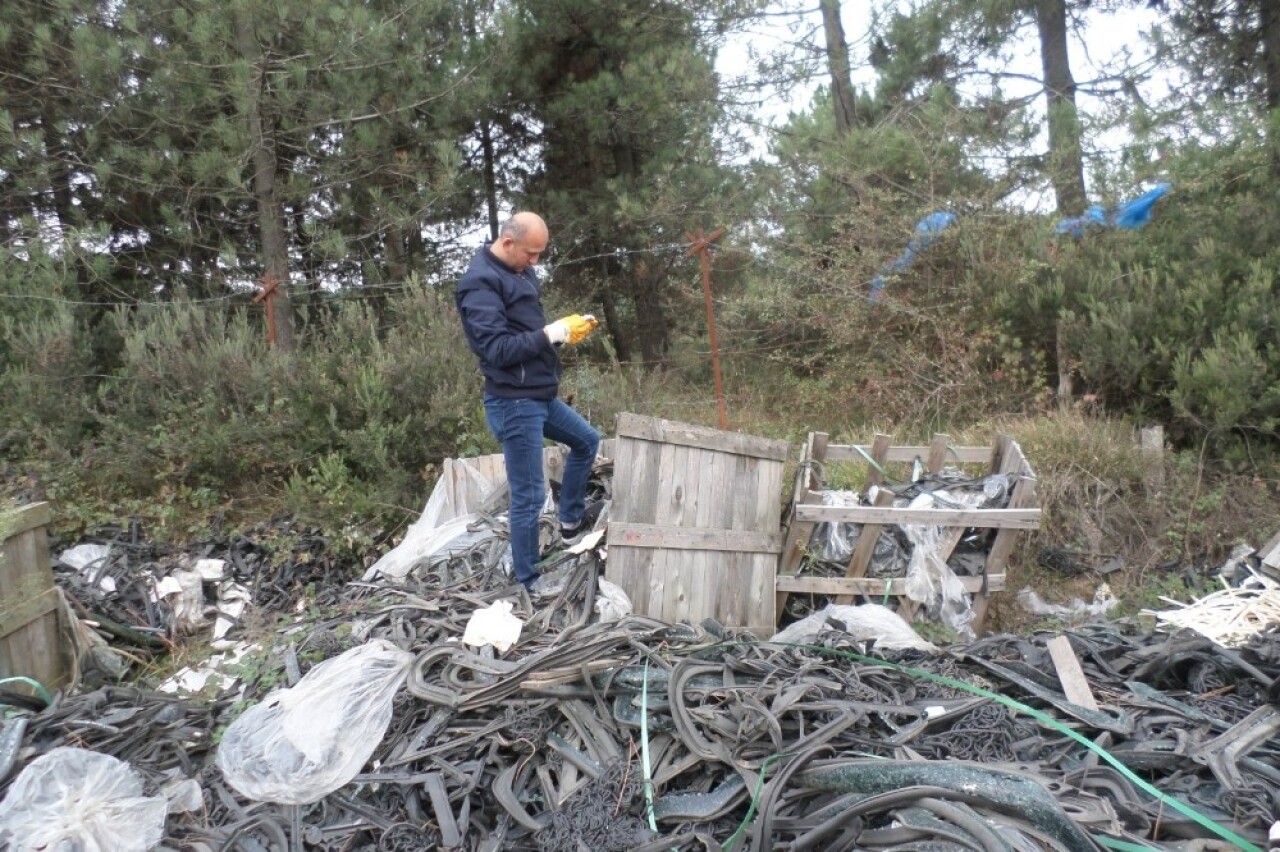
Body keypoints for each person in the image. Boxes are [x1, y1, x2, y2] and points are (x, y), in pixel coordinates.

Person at [455, 212, 601, 590]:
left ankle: (569, 524)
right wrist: (551, 333)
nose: (536, 262)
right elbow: (498, 349)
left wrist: (564, 331)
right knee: (530, 495)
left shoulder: (520, 271)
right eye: (531, 254)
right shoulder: (479, 284)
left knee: (586, 441)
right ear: (507, 243)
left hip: (539, 394)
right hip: (513, 402)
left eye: (539, 254)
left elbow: (526, 331)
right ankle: (528, 579)